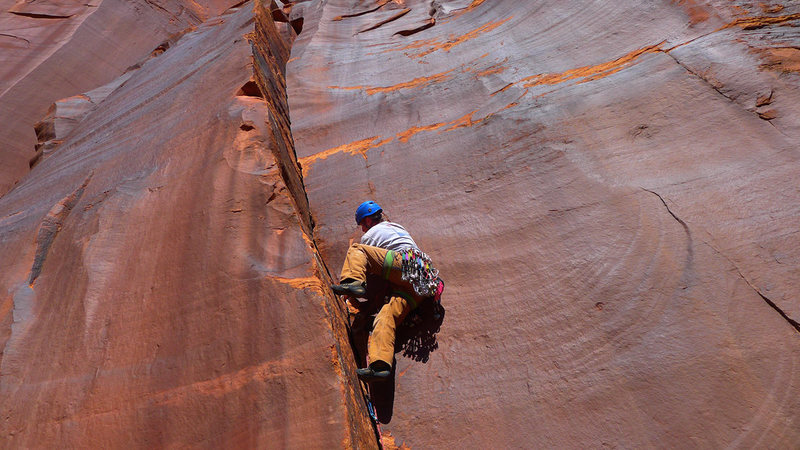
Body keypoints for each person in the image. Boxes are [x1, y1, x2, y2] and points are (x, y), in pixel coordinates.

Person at [331, 200, 441, 381]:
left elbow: (374, 272)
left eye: (362, 225)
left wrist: (355, 296)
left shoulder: (372, 235)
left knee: (358, 250)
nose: (363, 230)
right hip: (421, 281)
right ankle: (380, 365)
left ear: (366, 221)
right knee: (386, 317)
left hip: (403, 265)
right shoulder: (396, 227)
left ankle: (352, 282)